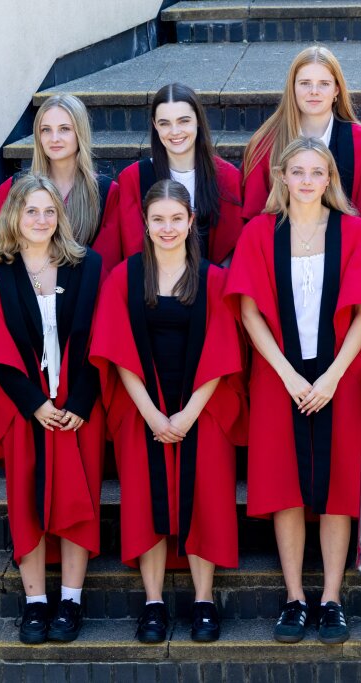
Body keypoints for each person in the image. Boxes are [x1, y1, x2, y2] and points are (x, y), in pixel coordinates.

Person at [226, 137, 361, 645]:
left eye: (316, 172)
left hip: (338, 376)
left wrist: (332, 376)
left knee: (338, 487)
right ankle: (294, 597)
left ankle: (331, 599)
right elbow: (249, 311)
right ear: (281, 176)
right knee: (284, 486)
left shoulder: (355, 233)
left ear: (330, 179)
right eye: (297, 171)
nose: (306, 181)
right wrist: (286, 374)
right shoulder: (261, 233)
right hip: (277, 373)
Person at [0, 174, 105, 645]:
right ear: (14, 215)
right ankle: (35, 602)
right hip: (23, 407)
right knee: (24, 501)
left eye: (49, 210)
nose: (41, 219)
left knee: (80, 498)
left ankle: (70, 600)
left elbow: (101, 336)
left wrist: (80, 401)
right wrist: (33, 403)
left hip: (78, 407)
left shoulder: (87, 265)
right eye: (31, 210)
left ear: (61, 216)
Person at [91, 179, 247, 644]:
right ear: (144, 222)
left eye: (177, 218)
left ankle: (203, 601)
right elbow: (117, 352)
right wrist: (154, 416)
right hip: (142, 410)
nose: (167, 227)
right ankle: (154, 603)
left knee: (207, 500)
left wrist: (188, 415)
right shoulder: (125, 277)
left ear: (191, 220)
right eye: (158, 219)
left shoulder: (213, 279)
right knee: (144, 500)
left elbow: (223, 352)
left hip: (204, 408)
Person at [241, 46, 361, 243]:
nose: (314, 92)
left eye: (324, 84)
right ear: (292, 88)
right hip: (282, 253)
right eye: (305, 83)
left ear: (336, 90)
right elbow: (255, 221)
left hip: (351, 256)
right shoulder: (265, 145)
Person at [0, 94, 123, 273]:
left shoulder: (106, 193)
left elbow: (105, 268)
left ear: (80, 133)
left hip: (80, 289)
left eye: (64, 129)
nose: (54, 138)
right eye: (46, 130)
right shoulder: (13, 188)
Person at [115, 83, 243, 265]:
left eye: (184, 121)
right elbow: (134, 253)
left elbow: (230, 252)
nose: (175, 132)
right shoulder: (133, 178)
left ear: (198, 120)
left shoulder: (227, 177)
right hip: (151, 280)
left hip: (212, 280)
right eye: (165, 123)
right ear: (155, 125)